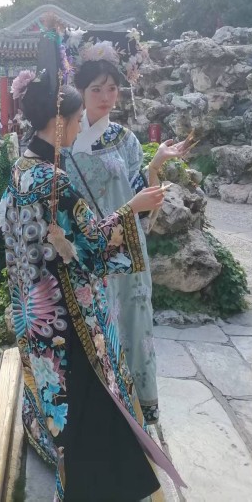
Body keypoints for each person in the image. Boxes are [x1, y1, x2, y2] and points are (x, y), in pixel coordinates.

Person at [0, 73, 182, 501]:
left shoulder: (22, 168)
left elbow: (4, 230)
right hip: (68, 313)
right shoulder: (55, 181)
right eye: (77, 119)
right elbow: (93, 246)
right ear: (59, 122)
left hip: (35, 310)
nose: (80, 127)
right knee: (88, 398)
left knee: (58, 398)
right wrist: (132, 208)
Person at [67, 56, 186, 425]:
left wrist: (156, 165)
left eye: (112, 88)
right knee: (98, 326)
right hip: (89, 250)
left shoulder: (125, 139)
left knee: (134, 322)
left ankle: (138, 408)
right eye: (96, 89)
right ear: (80, 92)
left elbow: (139, 195)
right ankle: (103, 411)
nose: (106, 96)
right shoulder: (66, 141)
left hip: (128, 247)